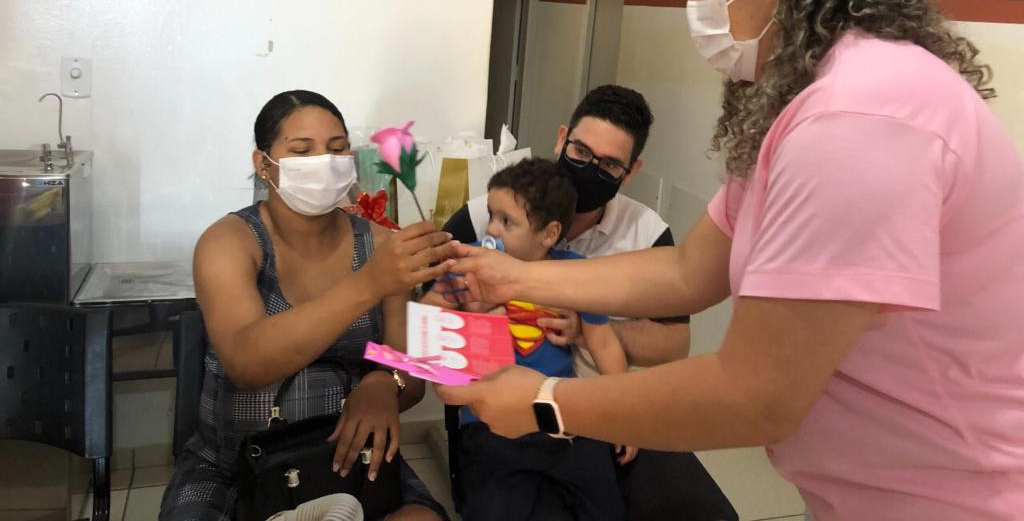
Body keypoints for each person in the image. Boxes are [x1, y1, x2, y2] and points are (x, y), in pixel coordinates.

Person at [436, 0, 1024, 521]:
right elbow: (689, 271)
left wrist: (546, 402)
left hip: (957, 496)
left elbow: (754, 394)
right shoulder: (815, 102)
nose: (700, 10)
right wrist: (513, 276)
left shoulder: (859, 120)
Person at [442, 84, 736, 520]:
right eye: (580, 151)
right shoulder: (491, 212)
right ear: (562, 138)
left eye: (609, 164)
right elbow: (432, 306)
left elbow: (674, 345)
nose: (589, 169)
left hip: (595, 412)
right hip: (500, 415)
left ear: (631, 172)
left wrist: (586, 331)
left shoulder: (647, 233)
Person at [160, 90, 455, 521]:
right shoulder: (229, 242)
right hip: (234, 465)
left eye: (337, 149)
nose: (324, 162)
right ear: (263, 164)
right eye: (302, 151)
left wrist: (384, 383)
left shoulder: (381, 245)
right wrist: (369, 283)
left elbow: (409, 370)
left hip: (346, 457)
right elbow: (247, 363)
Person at [425, 158, 634, 520]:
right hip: (489, 422)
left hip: (565, 415)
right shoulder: (468, 263)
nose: (491, 228)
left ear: (549, 234)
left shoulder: (575, 273)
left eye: (507, 221)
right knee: (492, 509)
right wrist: (470, 315)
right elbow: (427, 315)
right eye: (491, 215)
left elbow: (603, 343)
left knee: (606, 505)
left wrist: (625, 415)